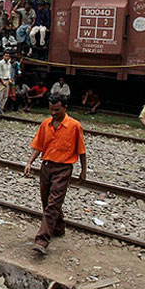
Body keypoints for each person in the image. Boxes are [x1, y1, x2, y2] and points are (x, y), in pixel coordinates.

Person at [24, 95, 87, 255]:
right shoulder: (46, 124)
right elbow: (39, 145)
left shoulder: (74, 126)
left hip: (63, 169)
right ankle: (58, 227)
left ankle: (42, 239)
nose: (53, 113)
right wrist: (30, 162)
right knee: (47, 201)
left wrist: (83, 170)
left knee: (53, 203)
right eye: (51, 109)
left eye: (57, 110)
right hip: (46, 166)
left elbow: (81, 150)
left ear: (65, 108)